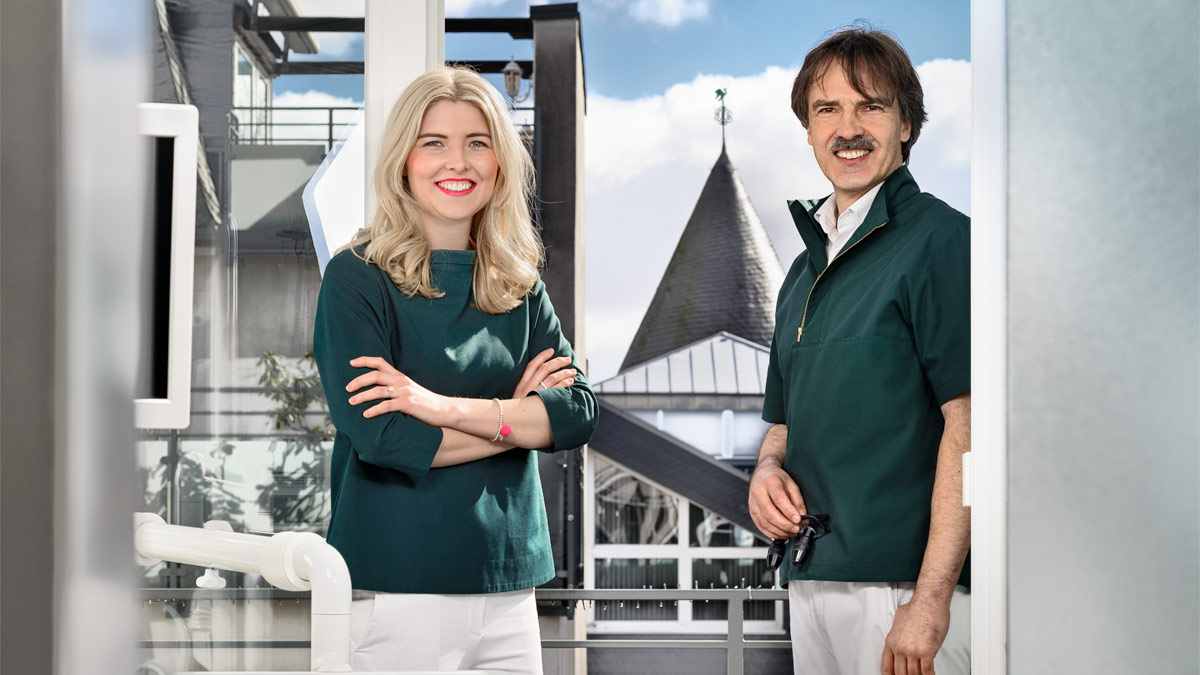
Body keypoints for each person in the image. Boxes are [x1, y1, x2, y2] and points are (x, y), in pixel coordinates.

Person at [312, 66, 597, 674]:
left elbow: (575, 415)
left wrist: (437, 407)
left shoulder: (519, 283)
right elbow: (383, 437)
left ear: (500, 162)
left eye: (478, 142)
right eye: (434, 142)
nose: (457, 162)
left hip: (512, 582)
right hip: (398, 584)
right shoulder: (356, 278)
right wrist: (517, 421)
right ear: (403, 159)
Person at [747, 26, 971, 675]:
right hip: (813, 580)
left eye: (870, 105)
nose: (848, 127)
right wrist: (765, 475)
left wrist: (930, 601)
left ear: (906, 122)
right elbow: (782, 425)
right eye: (828, 109)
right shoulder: (801, 274)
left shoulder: (942, 242)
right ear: (809, 129)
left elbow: (971, 426)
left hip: (903, 593)